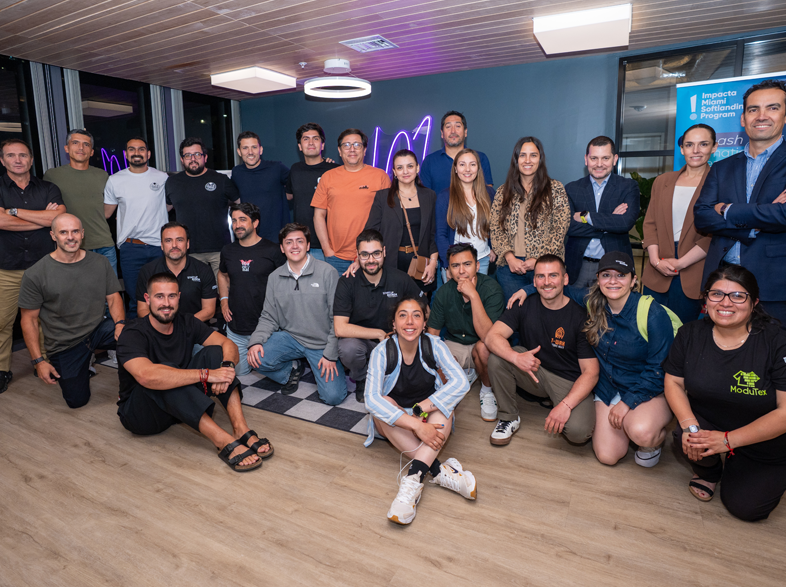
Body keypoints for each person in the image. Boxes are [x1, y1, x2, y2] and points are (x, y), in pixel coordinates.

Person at [509, 251, 674, 466]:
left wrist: (627, 403)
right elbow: (557, 287)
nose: (613, 281)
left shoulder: (652, 314)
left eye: (621, 275)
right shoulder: (593, 302)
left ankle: (651, 441)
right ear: (598, 280)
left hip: (646, 388)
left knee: (640, 430)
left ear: (633, 280)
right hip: (609, 388)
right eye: (606, 275)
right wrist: (527, 289)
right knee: (607, 456)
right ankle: (629, 425)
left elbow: (659, 370)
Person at [663, 265, 786, 521]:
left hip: (764, 437)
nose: (725, 302)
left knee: (747, 509)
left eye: (738, 296)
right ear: (706, 300)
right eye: (716, 294)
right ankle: (709, 472)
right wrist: (691, 428)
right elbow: (673, 382)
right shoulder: (690, 334)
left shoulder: (776, 341)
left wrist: (728, 441)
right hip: (710, 422)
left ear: (754, 303)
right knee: (686, 437)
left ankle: (739, 463)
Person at [117, 273, 272, 472]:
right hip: (141, 415)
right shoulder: (132, 333)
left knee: (215, 352)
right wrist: (207, 375)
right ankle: (223, 441)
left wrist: (226, 369)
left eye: (172, 296)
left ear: (179, 297)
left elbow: (228, 344)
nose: (166, 303)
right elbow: (146, 376)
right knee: (165, 373)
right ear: (147, 299)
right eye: (159, 296)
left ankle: (240, 428)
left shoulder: (187, 321)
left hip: (179, 408)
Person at [364, 296, 475, 525]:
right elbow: (371, 399)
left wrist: (421, 409)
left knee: (445, 404)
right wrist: (415, 425)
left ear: (424, 323)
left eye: (416, 315)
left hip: (427, 415)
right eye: (402, 315)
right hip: (398, 421)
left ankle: (413, 479)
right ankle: (439, 470)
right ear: (394, 324)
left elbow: (461, 383)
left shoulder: (434, 345)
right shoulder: (382, 351)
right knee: (383, 402)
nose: (409, 321)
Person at [694, 79, 786, 326]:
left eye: (772, 108)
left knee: (773, 348)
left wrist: (727, 209)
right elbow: (702, 217)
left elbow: (784, 215)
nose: (761, 116)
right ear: (743, 119)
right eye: (753, 109)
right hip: (721, 282)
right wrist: (755, 224)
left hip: (774, 285)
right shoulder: (722, 167)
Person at [485, 254, 599, 445]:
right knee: (498, 358)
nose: (547, 282)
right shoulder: (524, 304)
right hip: (534, 371)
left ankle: (558, 403)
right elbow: (492, 337)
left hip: (568, 380)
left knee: (578, 432)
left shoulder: (581, 317)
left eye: (553, 275)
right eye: (540, 276)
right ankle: (508, 417)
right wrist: (515, 357)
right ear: (534, 281)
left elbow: (591, 372)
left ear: (565, 279)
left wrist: (565, 405)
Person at [18, 214, 124, 408]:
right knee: (76, 401)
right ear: (53, 236)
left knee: (135, 336)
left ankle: (130, 390)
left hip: (98, 328)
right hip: (65, 343)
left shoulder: (100, 262)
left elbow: (113, 297)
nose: (70, 237)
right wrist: (38, 361)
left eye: (75, 231)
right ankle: (82, 367)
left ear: (82, 234)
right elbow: (28, 320)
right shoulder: (35, 274)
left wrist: (120, 324)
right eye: (63, 232)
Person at [247, 223, 347, 405]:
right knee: (256, 357)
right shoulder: (274, 277)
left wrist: (330, 354)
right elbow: (269, 316)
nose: (294, 246)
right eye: (289, 242)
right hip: (291, 338)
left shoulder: (327, 272)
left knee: (333, 397)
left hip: (321, 343)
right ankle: (292, 369)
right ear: (282, 248)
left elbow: (338, 318)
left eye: (300, 241)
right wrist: (255, 341)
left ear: (308, 245)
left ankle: (315, 364)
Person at [0, 138, 65, 394]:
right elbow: (1, 222)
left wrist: (12, 212)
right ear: (2, 160)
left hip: (43, 267)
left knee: (46, 319)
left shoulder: (48, 188)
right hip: (7, 268)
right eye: (11, 155)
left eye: (23, 155)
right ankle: (2, 370)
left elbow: (59, 217)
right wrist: (43, 219)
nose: (18, 160)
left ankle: (45, 363)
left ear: (31, 159)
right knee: (2, 322)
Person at [334, 229, 423, 403]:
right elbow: (340, 328)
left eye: (376, 253)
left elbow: (423, 308)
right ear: (357, 255)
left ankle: (387, 375)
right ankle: (362, 378)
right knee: (348, 348)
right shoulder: (346, 282)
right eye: (365, 255)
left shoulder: (400, 279)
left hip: (395, 340)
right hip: (362, 341)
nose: (371, 260)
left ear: (384, 252)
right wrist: (378, 334)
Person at [642, 124, 715, 324]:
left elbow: (714, 234)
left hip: (693, 269)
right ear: (682, 149)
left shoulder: (719, 184)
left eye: (703, 144)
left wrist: (681, 263)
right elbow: (650, 223)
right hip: (658, 266)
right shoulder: (662, 181)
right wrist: (655, 260)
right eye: (689, 145)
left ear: (714, 147)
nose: (696, 150)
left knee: (684, 333)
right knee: (650, 329)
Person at [427, 243, 504, 421]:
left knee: (484, 348)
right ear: (449, 270)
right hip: (455, 344)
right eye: (455, 266)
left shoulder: (491, 289)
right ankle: (461, 376)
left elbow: (488, 337)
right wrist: (439, 362)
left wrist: (473, 295)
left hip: (482, 344)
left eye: (467, 264)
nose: (461, 271)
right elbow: (433, 335)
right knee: (440, 358)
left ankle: (487, 391)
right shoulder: (444, 292)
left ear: (477, 266)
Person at [490, 137, 570, 300]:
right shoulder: (503, 192)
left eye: (533, 155)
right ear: (516, 159)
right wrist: (509, 257)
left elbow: (560, 228)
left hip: (546, 266)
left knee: (546, 310)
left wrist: (539, 259)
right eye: (523, 155)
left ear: (540, 159)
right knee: (516, 311)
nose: (528, 160)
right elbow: (495, 228)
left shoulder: (555, 189)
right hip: (510, 268)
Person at [103, 136, 168, 319]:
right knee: (135, 299)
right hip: (131, 248)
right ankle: (136, 336)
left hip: (159, 247)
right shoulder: (115, 180)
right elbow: (106, 213)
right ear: (126, 154)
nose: (136, 153)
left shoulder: (162, 177)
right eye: (132, 149)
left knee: (162, 297)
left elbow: (170, 205)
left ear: (148, 154)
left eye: (141, 149)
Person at [218, 203, 286, 375]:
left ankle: (290, 367)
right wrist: (224, 301)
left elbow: (285, 283)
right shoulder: (228, 250)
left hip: (266, 327)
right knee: (239, 374)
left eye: (243, 220)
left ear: (255, 223)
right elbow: (222, 274)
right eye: (234, 220)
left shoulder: (273, 250)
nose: (237, 225)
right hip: (237, 328)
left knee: (264, 363)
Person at [312, 128, 391, 274]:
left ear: (365, 150)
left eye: (357, 145)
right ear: (339, 150)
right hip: (336, 257)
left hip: (370, 256)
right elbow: (318, 215)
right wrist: (327, 249)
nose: (352, 149)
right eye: (346, 145)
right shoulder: (328, 177)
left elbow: (388, 218)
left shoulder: (380, 177)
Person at [564, 136, 640, 288]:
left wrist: (586, 216)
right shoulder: (571, 189)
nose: (599, 164)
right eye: (594, 158)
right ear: (586, 159)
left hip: (614, 266)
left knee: (612, 305)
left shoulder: (628, 187)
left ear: (615, 159)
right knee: (574, 304)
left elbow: (625, 223)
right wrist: (611, 221)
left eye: (605, 158)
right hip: (578, 266)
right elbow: (569, 227)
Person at [363, 149, 438, 291]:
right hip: (391, 262)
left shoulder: (429, 196)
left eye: (410, 166)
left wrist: (433, 263)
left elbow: (434, 234)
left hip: (421, 263)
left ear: (417, 168)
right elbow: (370, 233)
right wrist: (362, 258)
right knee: (392, 303)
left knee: (419, 304)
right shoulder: (383, 197)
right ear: (394, 172)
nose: (405, 171)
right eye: (400, 168)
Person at [43, 128, 116, 273]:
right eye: (75, 143)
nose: (81, 148)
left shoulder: (103, 175)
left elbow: (107, 210)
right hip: (70, 245)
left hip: (103, 244)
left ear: (92, 152)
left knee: (109, 287)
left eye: (86, 144)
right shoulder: (52, 175)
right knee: (74, 287)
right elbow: (47, 209)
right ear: (67, 148)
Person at [165, 137, 239, 278]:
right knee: (193, 291)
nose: (193, 159)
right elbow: (164, 210)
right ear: (182, 159)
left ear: (205, 157)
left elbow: (241, 204)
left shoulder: (221, 180)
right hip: (188, 250)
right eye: (188, 155)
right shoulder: (172, 182)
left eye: (197, 154)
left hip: (219, 250)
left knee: (224, 290)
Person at [135, 222, 217, 322]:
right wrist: (163, 326)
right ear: (162, 245)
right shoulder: (148, 271)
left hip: (194, 327)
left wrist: (184, 327)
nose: (174, 245)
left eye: (179, 240)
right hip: (159, 328)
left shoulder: (203, 270)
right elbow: (142, 310)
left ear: (187, 244)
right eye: (168, 240)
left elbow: (209, 310)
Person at [436, 148, 496, 279]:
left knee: (478, 293)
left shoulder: (490, 193)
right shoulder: (445, 197)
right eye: (462, 164)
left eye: (472, 164)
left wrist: (492, 247)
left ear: (478, 168)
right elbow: (440, 234)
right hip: (456, 263)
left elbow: (495, 225)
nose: (467, 169)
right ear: (455, 169)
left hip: (482, 260)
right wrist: (448, 265)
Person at [285, 123, 339, 262]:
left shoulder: (335, 170)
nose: (310, 143)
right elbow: (289, 195)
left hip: (331, 245)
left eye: (315, 138)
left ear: (322, 145)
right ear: (299, 146)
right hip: (302, 243)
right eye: (306, 139)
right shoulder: (295, 169)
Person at [231, 131, 290, 242]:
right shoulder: (237, 172)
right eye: (245, 148)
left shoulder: (277, 168)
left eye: (254, 147)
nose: (250, 152)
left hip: (276, 238)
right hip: (249, 238)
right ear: (239, 152)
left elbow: (296, 186)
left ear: (261, 150)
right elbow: (235, 198)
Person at [420, 110, 494, 195]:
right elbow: (425, 197)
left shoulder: (480, 158)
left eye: (458, 126)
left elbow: (488, 195)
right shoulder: (429, 161)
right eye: (448, 127)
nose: (453, 131)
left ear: (465, 132)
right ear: (442, 133)